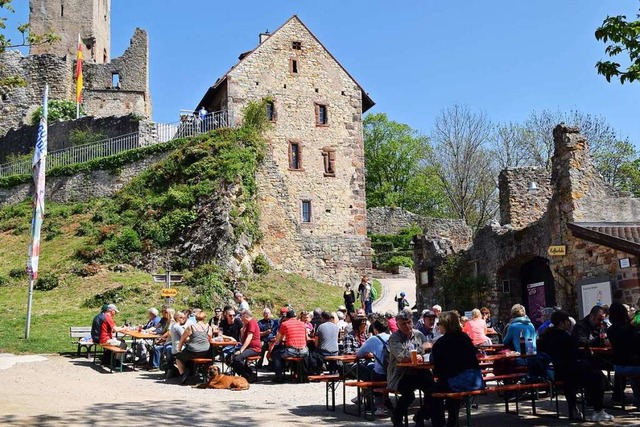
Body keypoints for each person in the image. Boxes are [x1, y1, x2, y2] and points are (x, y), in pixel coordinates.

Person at [538, 310, 614, 421]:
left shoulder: (547, 336)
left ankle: (574, 408)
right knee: (598, 377)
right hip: (570, 371)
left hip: (557, 371)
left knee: (587, 374)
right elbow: (574, 354)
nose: (569, 324)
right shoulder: (564, 337)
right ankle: (598, 410)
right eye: (567, 321)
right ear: (562, 323)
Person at [431, 311, 483, 427]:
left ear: (445, 325)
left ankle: (438, 423)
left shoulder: (440, 343)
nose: (438, 326)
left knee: (432, 391)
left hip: (457, 382)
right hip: (474, 381)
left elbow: (437, 369)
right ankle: (452, 420)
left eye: (439, 323)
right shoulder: (465, 338)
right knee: (448, 387)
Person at [387, 308, 435, 427]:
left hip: (420, 372)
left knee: (434, 390)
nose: (407, 326)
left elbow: (428, 349)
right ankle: (397, 417)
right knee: (409, 394)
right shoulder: (394, 338)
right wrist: (420, 350)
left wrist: (423, 353)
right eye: (403, 324)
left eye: (409, 322)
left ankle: (421, 415)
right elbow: (401, 357)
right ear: (397, 324)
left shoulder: (418, 334)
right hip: (401, 374)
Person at [606, 302, 640, 408]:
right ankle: (638, 398)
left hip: (618, 366)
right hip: (634, 366)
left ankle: (635, 398)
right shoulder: (630, 329)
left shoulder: (610, 330)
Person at [356, 317, 391, 416]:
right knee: (372, 368)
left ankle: (376, 404)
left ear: (375, 329)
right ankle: (363, 395)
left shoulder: (373, 339)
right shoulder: (391, 337)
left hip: (381, 374)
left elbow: (359, 354)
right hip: (393, 372)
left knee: (367, 369)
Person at [271, 310, 309, 383]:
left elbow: (278, 340)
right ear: (295, 317)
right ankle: (303, 375)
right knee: (306, 353)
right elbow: (306, 338)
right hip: (304, 350)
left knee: (276, 354)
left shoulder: (285, 324)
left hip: (292, 350)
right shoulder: (302, 324)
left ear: (286, 318)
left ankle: (279, 377)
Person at [175, 310, 213, 384]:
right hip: (205, 351)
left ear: (195, 318)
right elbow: (209, 339)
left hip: (193, 351)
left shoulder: (191, 327)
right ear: (204, 318)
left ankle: (183, 374)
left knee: (178, 358)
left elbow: (182, 339)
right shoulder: (209, 328)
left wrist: (179, 349)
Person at [231, 309, 262, 382]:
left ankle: (248, 375)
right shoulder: (247, 324)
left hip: (254, 348)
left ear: (244, 316)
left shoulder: (252, 322)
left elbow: (249, 337)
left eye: (240, 316)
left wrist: (241, 350)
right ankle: (246, 374)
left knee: (237, 358)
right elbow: (242, 339)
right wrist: (243, 328)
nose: (240, 318)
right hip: (249, 347)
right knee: (231, 357)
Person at [165, 310, 187, 378]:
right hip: (179, 349)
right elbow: (186, 338)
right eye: (181, 317)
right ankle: (186, 373)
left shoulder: (173, 326)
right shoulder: (178, 327)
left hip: (174, 348)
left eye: (184, 317)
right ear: (177, 318)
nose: (183, 319)